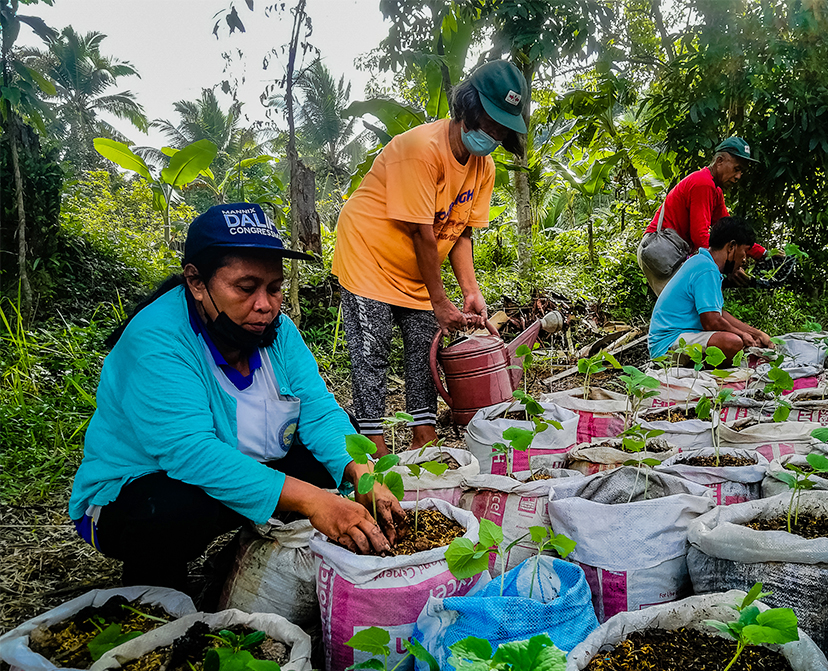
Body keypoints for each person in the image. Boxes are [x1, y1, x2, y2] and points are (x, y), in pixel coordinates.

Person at [68, 203, 403, 590]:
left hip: (235, 461)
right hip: (132, 494)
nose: (265, 305)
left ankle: (254, 554)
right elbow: (190, 452)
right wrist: (313, 501)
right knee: (169, 510)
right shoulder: (158, 340)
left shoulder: (277, 330)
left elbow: (317, 409)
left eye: (274, 288)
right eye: (246, 288)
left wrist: (360, 472)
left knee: (339, 452)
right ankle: (154, 591)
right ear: (196, 282)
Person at [333, 60, 527, 457]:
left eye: (501, 128)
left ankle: (424, 435)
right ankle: (374, 445)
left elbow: (460, 230)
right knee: (372, 349)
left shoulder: (483, 167)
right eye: (488, 122)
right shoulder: (420, 150)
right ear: (468, 108)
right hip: (370, 253)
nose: (493, 134)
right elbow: (421, 230)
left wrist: (469, 292)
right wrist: (440, 300)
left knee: (425, 350)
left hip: (418, 266)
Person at [638, 136, 768, 295]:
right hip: (663, 249)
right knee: (683, 308)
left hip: (673, 251)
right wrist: (729, 268)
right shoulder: (703, 183)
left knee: (691, 306)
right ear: (719, 161)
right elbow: (700, 236)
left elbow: (730, 231)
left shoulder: (715, 189)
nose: (738, 176)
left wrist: (762, 254)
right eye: (736, 168)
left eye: (741, 171)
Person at [648, 216, 773, 363]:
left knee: (736, 340)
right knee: (733, 342)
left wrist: (755, 334)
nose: (744, 259)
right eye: (744, 252)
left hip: (673, 339)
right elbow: (711, 322)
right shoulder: (707, 269)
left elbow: (717, 314)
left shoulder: (703, 263)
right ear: (731, 247)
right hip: (666, 345)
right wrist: (742, 336)